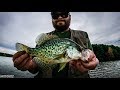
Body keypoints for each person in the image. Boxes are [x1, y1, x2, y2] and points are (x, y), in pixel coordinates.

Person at [12, 12, 99, 78]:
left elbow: (93, 57)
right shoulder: (46, 37)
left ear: (70, 16)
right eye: (55, 15)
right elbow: (36, 64)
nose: (60, 17)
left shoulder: (83, 35)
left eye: (64, 14)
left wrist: (94, 62)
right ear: (52, 18)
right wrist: (31, 66)